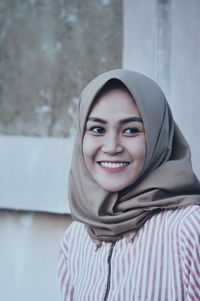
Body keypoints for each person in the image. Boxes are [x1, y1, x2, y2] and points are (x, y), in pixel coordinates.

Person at [58, 69, 200, 300]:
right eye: (97, 129)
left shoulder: (189, 230)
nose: (112, 146)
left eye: (131, 130)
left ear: (158, 137)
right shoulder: (76, 237)